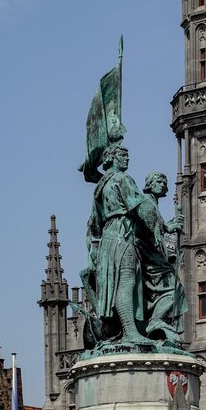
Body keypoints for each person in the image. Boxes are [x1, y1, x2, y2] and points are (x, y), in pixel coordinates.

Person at [85, 144, 153, 345]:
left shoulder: (100, 189)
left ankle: (123, 331)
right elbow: (141, 209)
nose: (127, 159)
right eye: (124, 155)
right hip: (124, 236)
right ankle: (131, 332)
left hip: (108, 241)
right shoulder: (123, 180)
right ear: (112, 158)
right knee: (127, 283)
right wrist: (161, 229)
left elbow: (95, 224)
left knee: (117, 286)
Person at [139, 172, 188, 345]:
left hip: (153, 255)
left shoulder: (152, 204)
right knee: (175, 290)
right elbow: (148, 232)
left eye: (164, 182)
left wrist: (169, 226)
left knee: (176, 289)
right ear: (150, 184)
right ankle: (156, 320)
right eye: (158, 181)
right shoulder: (146, 203)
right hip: (147, 256)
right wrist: (168, 228)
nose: (162, 185)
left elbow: (158, 228)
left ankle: (158, 320)